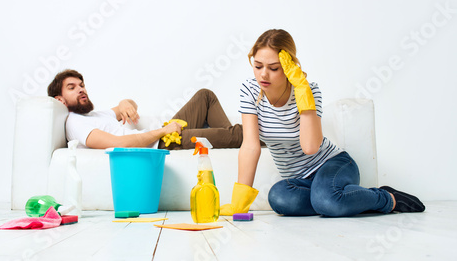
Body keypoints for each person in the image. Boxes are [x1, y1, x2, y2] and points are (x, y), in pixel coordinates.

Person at [220, 29, 425, 217]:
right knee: (278, 198)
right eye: (257, 66)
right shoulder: (250, 90)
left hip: (333, 164)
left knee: (326, 201)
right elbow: (250, 146)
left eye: (274, 68)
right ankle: (337, 200)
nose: (263, 74)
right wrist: (240, 203)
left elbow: (310, 147)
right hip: (300, 182)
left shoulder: (308, 90)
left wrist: (302, 90)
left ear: (289, 65)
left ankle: (385, 198)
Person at [47, 69, 242, 150]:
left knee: (204, 96)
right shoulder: (74, 122)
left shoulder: (93, 115)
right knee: (239, 134)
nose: (81, 89)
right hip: (162, 145)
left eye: (81, 85)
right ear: (60, 100)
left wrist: (125, 102)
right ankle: (243, 139)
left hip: (162, 136)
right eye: (72, 87)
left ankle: (235, 143)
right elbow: (118, 145)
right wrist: (163, 131)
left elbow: (129, 105)